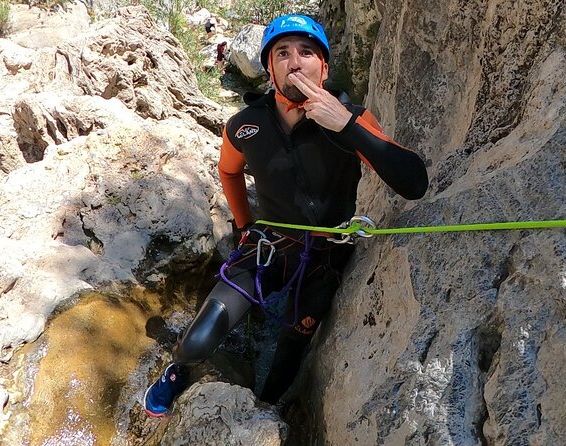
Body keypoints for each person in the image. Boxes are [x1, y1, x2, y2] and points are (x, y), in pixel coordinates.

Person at [143, 14, 429, 417]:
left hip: (325, 257)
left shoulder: (352, 118)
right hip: (267, 245)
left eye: (306, 52)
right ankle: (177, 371)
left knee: (290, 350)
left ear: (323, 67)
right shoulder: (245, 126)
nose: (295, 61)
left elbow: (414, 182)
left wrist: (345, 125)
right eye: (283, 53)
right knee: (199, 340)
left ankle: (263, 412)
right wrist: (244, 225)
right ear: (270, 67)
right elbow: (229, 170)